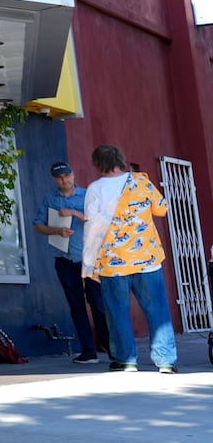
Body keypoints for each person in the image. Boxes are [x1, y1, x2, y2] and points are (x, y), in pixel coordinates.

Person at [81, 144, 176, 374]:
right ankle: (165, 362)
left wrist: (87, 263)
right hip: (147, 259)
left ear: (97, 163)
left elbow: (92, 226)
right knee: (158, 311)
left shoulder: (95, 189)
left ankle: (126, 361)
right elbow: (162, 209)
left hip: (113, 262)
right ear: (120, 159)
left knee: (117, 312)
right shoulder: (141, 182)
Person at [33, 161, 109, 363]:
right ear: (54, 179)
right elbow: (38, 226)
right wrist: (57, 231)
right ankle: (88, 351)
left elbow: (99, 221)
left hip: (89, 257)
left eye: (67, 175)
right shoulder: (50, 199)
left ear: (73, 175)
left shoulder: (87, 196)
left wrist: (74, 213)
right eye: (59, 177)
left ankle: (109, 345)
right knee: (76, 306)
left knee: (98, 303)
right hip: (64, 259)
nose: (64, 180)